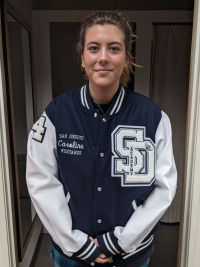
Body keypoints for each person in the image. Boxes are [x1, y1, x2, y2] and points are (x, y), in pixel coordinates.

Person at [26, 11, 177, 267]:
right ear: (82, 56)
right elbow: (41, 182)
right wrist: (78, 244)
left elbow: (163, 189)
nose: (103, 58)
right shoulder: (56, 115)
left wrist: (117, 241)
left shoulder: (153, 118)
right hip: (72, 256)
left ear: (126, 57)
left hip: (131, 256)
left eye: (114, 48)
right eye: (94, 48)